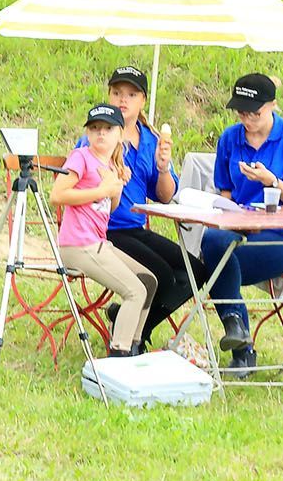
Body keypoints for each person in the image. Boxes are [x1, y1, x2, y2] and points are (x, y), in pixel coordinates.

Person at [203, 73, 283, 375]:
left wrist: (272, 181)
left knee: (215, 264)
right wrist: (234, 220)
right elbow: (224, 196)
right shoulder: (230, 138)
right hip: (239, 231)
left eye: (255, 113)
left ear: (273, 106)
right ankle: (237, 330)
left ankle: (241, 347)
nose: (247, 119)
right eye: (241, 112)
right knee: (211, 243)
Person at [76, 66, 195, 346]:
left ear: (143, 100)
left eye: (131, 94)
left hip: (135, 227)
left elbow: (165, 196)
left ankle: (130, 321)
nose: (123, 100)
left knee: (195, 270)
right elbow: (81, 182)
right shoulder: (99, 135)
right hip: (105, 229)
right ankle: (132, 338)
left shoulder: (152, 140)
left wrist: (163, 168)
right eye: (117, 93)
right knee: (162, 276)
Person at [51, 103, 158, 358]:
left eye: (108, 129)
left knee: (148, 281)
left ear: (120, 133)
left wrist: (117, 185)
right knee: (135, 291)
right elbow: (57, 195)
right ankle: (119, 355)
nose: (101, 133)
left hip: (97, 242)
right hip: (77, 244)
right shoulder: (81, 157)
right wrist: (101, 190)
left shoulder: (111, 164)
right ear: (87, 134)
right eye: (95, 128)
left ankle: (133, 344)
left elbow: (108, 209)